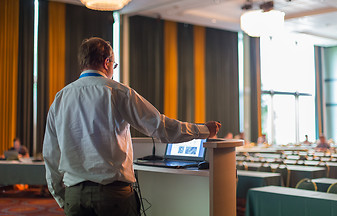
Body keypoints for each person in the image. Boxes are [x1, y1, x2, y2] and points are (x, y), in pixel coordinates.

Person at [42, 37, 221, 216]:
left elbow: (50, 155)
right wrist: (204, 130)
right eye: (114, 64)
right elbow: (161, 127)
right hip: (113, 197)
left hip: (75, 197)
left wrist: (62, 197)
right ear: (107, 62)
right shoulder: (117, 92)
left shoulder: (60, 99)